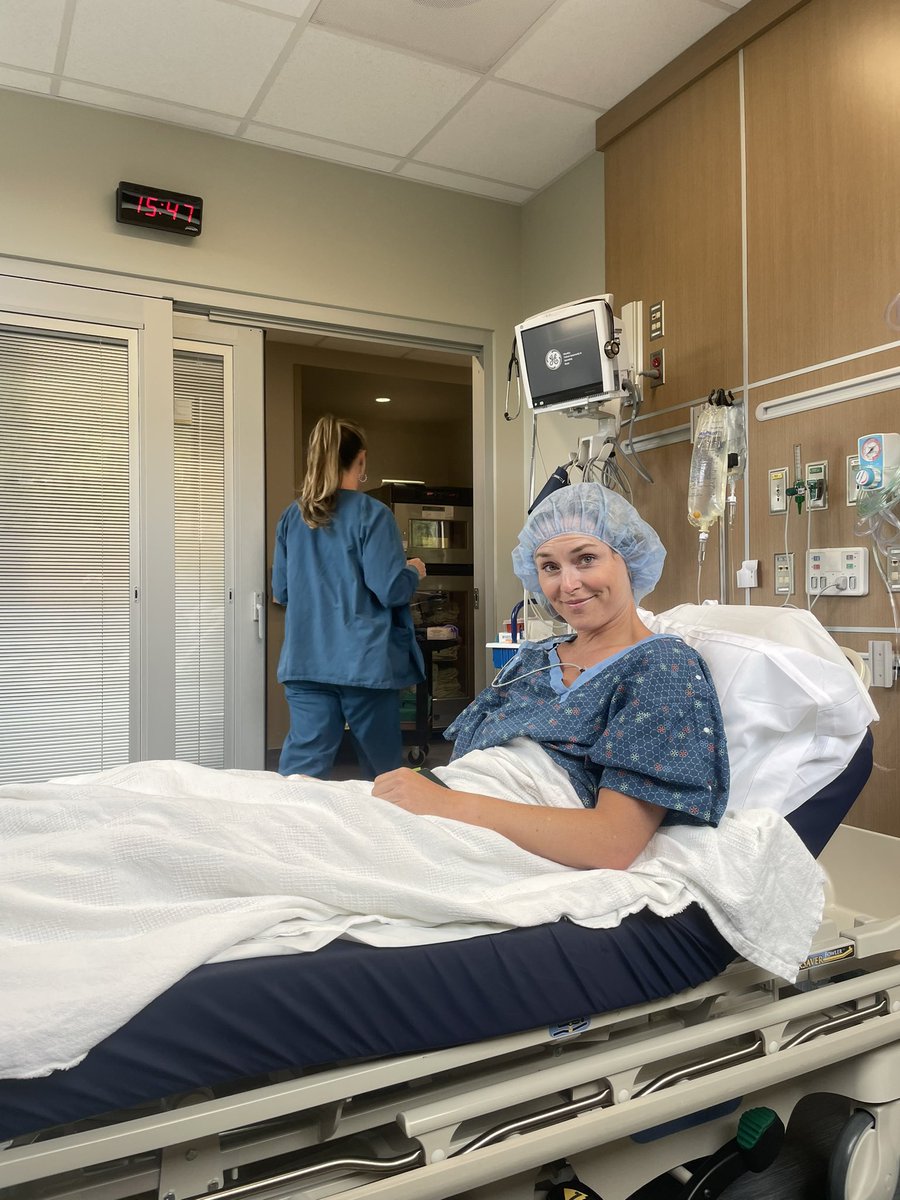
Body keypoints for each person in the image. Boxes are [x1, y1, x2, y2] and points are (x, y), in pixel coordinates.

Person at [373, 482, 730, 870]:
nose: (568, 585)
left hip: (483, 823)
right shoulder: (533, 659)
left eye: (586, 559)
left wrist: (445, 804)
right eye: (549, 567)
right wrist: (434, 794)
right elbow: (469, 763)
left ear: (628, 559)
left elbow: (612, 842)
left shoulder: (662, 666)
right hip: (451, 799)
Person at [272, 414, 427, 778]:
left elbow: (282, 591)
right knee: (383, 772)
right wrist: (413, 571)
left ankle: (290, 817)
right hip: (363, 662)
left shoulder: (293, 518)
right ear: (360, 459)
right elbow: (390, 590)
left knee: (302, 772)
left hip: (306, 662)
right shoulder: (373, 515)